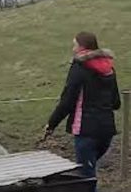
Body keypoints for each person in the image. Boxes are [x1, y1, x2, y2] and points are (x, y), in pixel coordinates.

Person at [45, 32, 121, 190]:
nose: (73, 49)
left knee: (86, 179)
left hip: (86, 130)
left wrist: (51, 124)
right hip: (107, 131)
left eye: (74, 45)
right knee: (89, 172)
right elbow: (116, 102)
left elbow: (67, 100)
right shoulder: (108, 67)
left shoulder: (80, 67)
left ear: (81, 47)